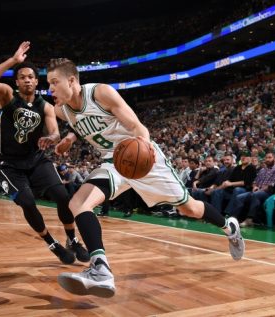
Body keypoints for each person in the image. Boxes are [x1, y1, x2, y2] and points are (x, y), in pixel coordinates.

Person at [46, 58, 245, 298]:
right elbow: (80, 123)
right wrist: (70, 138)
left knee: (188, 208)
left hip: (141, 155)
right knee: (78, 203)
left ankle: (229, 227)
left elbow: (139, 128)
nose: (50, 89)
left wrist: (139, 154)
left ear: (72, 80)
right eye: (49, 84)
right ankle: (101, 270)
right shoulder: (61, 110)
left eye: (54, 82)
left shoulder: (101, 93)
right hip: (113, 162)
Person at [0, 42, 89, 265]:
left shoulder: (46, 106)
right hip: (8, 163)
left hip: (37, 159)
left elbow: (56, 132)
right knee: (28, 202)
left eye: (31, 76)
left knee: (63, 197)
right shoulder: (7, 95)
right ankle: (52, 243)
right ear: (16, 82)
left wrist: (52, 138)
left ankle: (72, 239)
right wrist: (13, 61)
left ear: (37, 81)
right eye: (22, 76)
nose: (27, 79)